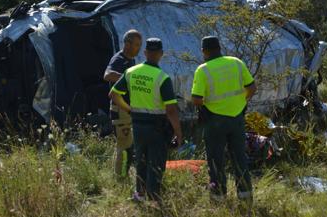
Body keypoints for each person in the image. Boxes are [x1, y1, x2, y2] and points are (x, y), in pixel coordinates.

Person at [109, 38, 183, 203]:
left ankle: (140, 195)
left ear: (145, 53)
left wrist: (129, 109)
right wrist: (178, 131)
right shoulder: (162, 78)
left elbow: (113, 94)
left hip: (138, 125)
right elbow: (171, 110)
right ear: (160, 54)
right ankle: (154, 200)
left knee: (141, 161)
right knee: (156, 163)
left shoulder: (131, 72)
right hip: (157, 127)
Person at [191, 36, 257, 203]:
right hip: (237, 118)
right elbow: (252, 87)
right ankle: (245, 195)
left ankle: (218, 197)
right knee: (239, 158)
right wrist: (242, 103)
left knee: (215, 160)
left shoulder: (203, 69)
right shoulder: (236, 62)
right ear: (220, 48)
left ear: (203, 51)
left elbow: (197, 99)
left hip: (214, 121)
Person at [104, 30, 142, 181]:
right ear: (127, 44)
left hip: (127, 109)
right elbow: (107, 75)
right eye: (136, 45)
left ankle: (119, 175)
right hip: (120, 110)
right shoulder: (119, 59)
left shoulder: (131, 60)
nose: (138, 48)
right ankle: (120, 179)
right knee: (125, 146)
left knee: (125, 144)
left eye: (140, 45)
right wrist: (127, 79)